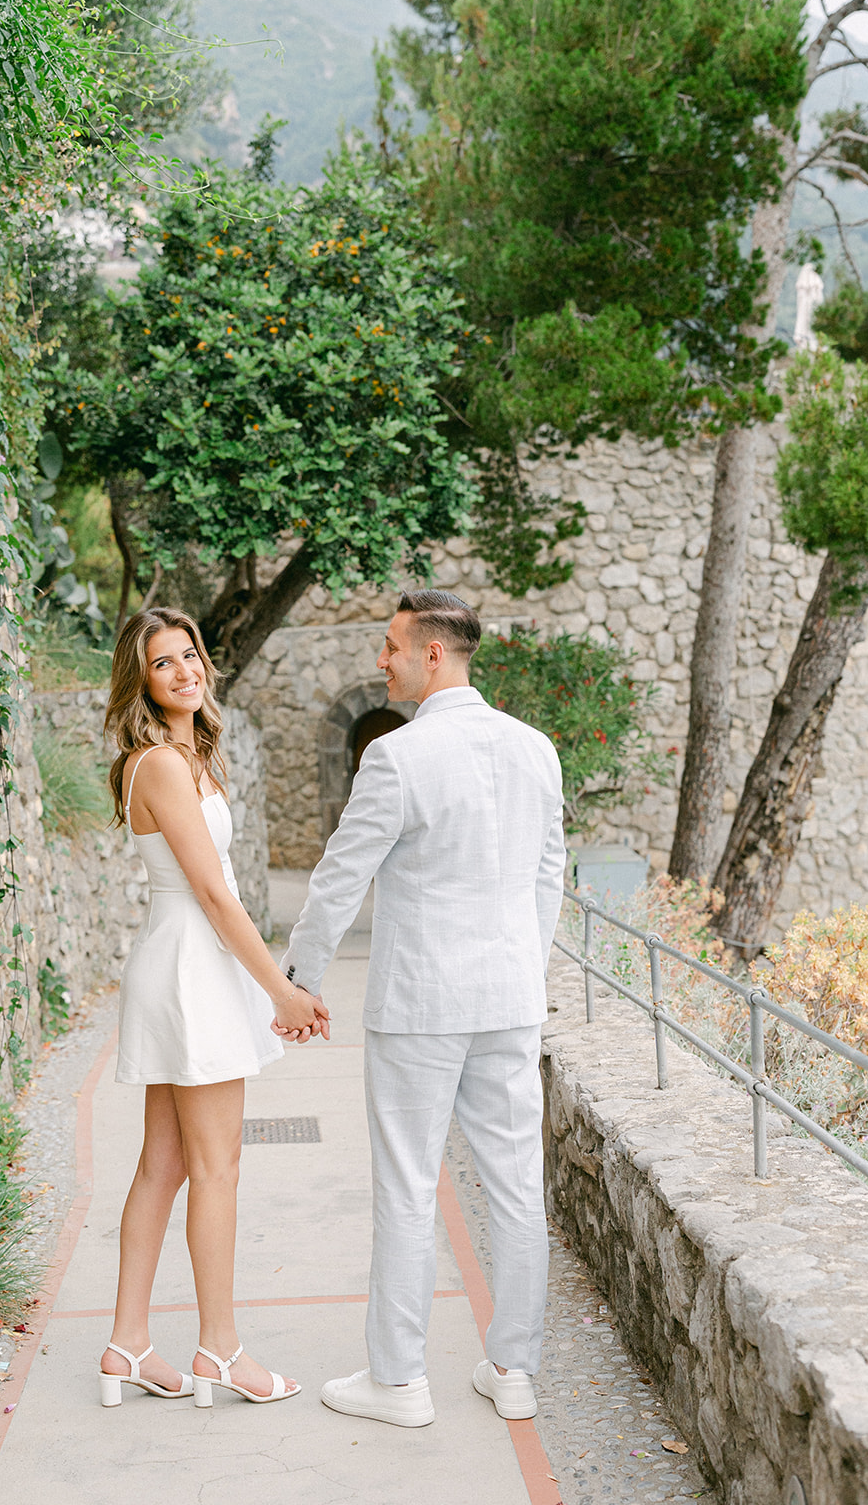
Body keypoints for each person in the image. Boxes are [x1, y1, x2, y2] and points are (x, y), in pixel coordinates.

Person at [275, 589, 565, 1428]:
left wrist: (302, 980)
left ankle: (399, 1382)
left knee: (406, 1184)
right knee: (515, 1184)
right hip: (508, 999)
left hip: (419, 1005)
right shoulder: (534, 749)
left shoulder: (398, 757)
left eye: (392, 645)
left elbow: (340, 874)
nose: (382, 659)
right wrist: (522, 965)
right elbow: (550, 875)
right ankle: (513, 1370)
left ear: (433, 653)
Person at [98, 606, 329, 1412]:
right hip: (192, 969)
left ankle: (127, 1344)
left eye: (189, 654)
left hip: (186, 964)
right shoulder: (160, 763)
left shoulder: (184, 755)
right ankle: (220, 1351)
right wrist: (284, 991)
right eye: (163, 663)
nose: (184, 671)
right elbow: (213, 896)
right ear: (142, 680)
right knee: (217, 1167)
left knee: (164, 1165)